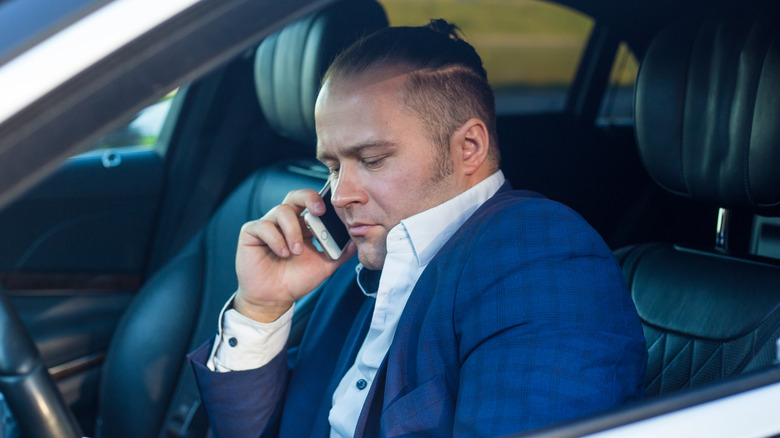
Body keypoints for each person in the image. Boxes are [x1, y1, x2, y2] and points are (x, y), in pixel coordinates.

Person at [189, 19, 647, 437]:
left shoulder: (546, 263)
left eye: (371, 160)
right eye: (332, 166)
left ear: (469, 147)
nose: (341, 195)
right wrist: (262, 308)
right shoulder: (354, 269)